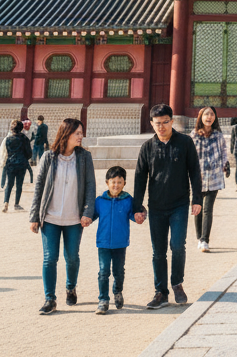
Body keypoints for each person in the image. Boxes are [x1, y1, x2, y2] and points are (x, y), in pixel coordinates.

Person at [133, 104, 202, 309]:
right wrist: (138, 206)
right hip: (156, 207)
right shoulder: (147, 147)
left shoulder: (185, 142)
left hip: (179, 204)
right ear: (151, 124)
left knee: (178, 245)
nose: (161, 127)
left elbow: (195, 172)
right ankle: (161, 292)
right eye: (157, 123)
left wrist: (197, 199)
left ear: (172, 121)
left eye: (165, 122)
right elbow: (139, 178)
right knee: (158, 251)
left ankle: (177, 283)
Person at [28, 117, 96, 315]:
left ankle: (70, 286)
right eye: (77, 133)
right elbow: (39, 187)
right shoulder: (49, 157)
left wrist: (87, 212)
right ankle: (50, 299)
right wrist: (34, 217)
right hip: (50, 217)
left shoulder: (84, 158)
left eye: (81, 133)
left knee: (72, 257)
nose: (81, 136)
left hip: (74, 218)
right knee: (50, 258)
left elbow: (91, 186)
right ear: (66, 134)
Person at [93, 165, 142, 314]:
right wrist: (84, 218)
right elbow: (91, 215)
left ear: (124, 184)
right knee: (103, 271)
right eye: (113, 182)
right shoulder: (100, 201)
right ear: (107, 182)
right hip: (103, 243)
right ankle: (103, 299)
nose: (116, 185)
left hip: (120, 243)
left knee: (119, 271)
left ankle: (118, 291)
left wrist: (140, 215)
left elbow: (134, 215)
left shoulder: (128, 200)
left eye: (119, 182)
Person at [191, 106, 229, 252]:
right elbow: (189, 155)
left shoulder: (218, 135)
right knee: (197, 208)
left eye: (212, 114)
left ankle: (205, 239)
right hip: (197, 178)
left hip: (214, 177)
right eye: (206, 114)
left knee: (208, 209)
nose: (209, 117)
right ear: (200, 117)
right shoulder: (193, 135)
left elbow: (223, 152)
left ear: (215, 118)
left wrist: (225, 165)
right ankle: (199, 237)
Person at [1, 118, 33, 212]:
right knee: (19, 184)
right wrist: (25, 158)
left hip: (10, 163)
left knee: (9, 184)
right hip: (21, 164)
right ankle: (16, 204)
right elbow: (29, 153)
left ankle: (5, 202)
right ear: (21, 128)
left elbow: (7, 151)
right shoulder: (24, 139)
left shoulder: (8, 139)